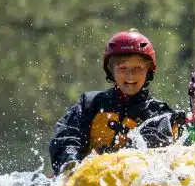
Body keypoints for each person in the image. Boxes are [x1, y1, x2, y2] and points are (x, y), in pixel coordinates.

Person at [48, 29, 176, 175]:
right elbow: (68, 135)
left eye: (138, 68)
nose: (130, 75)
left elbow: (159, 158)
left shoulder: (159, 113)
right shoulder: (90, 104)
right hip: (85, 181)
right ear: (111, 70)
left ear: (148, 71)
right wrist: (70, 161)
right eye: (123, 68)